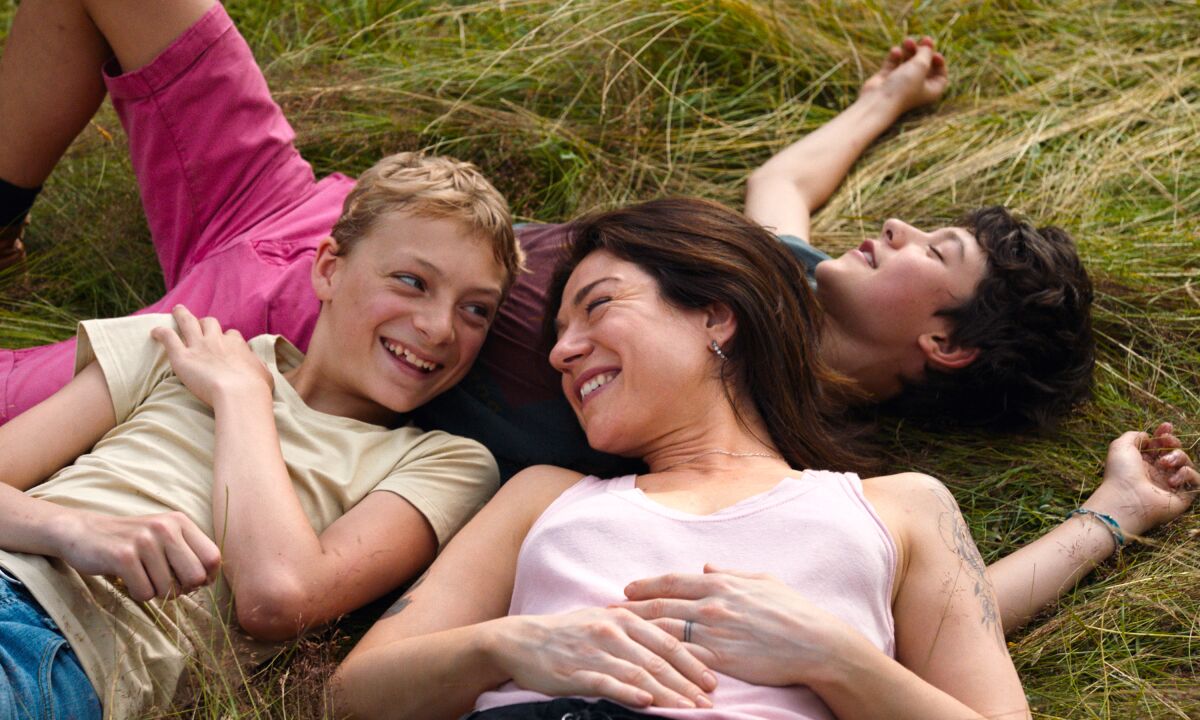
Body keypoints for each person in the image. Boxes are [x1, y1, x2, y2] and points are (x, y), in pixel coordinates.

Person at [0, 0, 1189, 641]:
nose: (893, 233)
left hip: (289, 370)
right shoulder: (773, 261)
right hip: (323, 230)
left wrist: (1111, 514)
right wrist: (878, 101)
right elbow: (785, 187)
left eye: (933, 254)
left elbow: (932, 601)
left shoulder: (782, 444)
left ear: (945, 344)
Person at [331, 197, 1033, 720]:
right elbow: (349, 698)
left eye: (597, 306)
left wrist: (833, 657)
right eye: (559, 330)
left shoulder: (902, 506)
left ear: (715, 314)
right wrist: (509, 648)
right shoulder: (542, 496)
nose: (561, 351)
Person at [0, 130, 520, 720]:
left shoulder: (443, 462)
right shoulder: (187, 346)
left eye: (475, 309)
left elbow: (278, 597)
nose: (440, 328)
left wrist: (243, 397)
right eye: (412, 281)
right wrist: (73, 531)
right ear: (327, 269)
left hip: (54, 643)